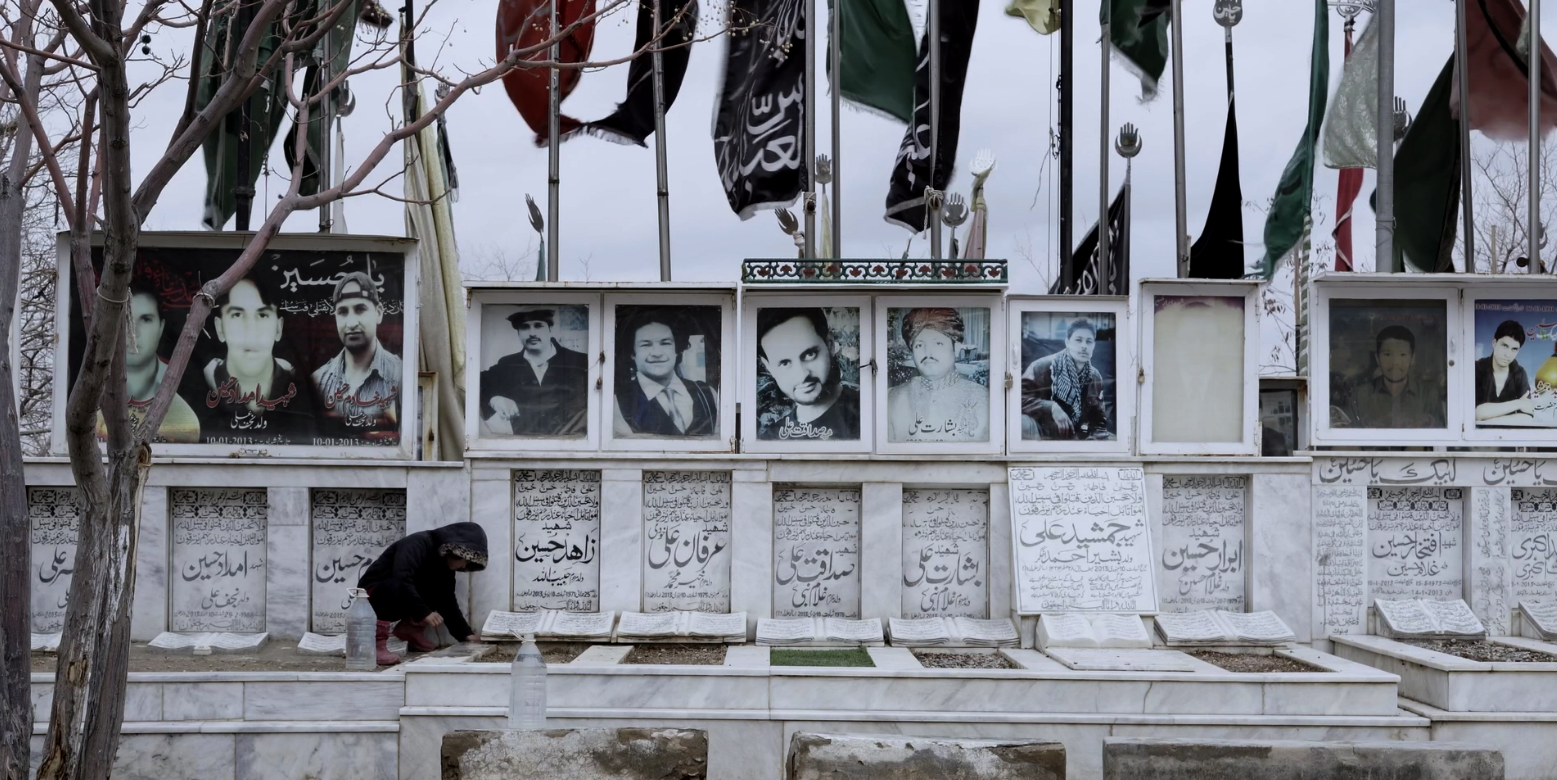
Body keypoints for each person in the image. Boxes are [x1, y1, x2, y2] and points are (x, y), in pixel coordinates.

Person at [357, 521, 487, 665]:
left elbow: (447, 600)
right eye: (466, 560)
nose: (464, 566)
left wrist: (466, 634)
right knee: (396, 585)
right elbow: (401, 578)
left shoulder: (444, 564)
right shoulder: (417, 543)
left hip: (401, 596)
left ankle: (410, 629)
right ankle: (375, 644)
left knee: (438, 589)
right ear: (456, 551)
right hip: (372, 597)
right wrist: (423, 613)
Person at [201, 276, 315, 440]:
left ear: (278, 328)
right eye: (237, 315)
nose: (251, 331)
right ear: (220, 328)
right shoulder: (199, 389)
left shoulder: (301, 394)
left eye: (262, 315)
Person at [96, 283, 201, 442]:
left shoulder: (186, 393)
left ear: (161, 327)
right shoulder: (92, 388)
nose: (134, 332)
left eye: (145, 319)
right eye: (126, 319)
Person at [311, 272, 403, 442]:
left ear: (378, 313)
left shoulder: (401, 376)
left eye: (360, 309)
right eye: (343, 312)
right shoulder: (318, 381)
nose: (351, 323)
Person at [480, 307, 590, 436]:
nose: (532, 333)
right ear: (518, 332)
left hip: (572, 444)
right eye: (525, 327)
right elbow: (476, 383)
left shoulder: (579, 361)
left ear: (550, 329)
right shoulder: (507, 364)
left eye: (538, 326)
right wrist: (495, 399)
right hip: (524, 444)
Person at [756, 307, 860, 440]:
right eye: (785, 363)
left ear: (830, 345)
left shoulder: (867, 413)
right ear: (769, 367)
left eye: (810, 354)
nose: (801, 375)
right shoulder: (772, 439)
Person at [886, 308, 989, 441]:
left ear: (956, 348)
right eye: (919, 345)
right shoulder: (893, 398)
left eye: (938, 343)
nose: (928, 352)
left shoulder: (983, 398)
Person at [613, 308, 719, 436]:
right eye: (646, 345)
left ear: (677, 348)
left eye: (665, 343)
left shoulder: (708, 394)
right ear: (632, 353)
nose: (657, 353)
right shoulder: (618, 403)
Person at [1019, 318, 1112, 440]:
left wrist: (1091, 441)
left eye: (1089, 341)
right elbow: (1017, 400)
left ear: (1093, 346)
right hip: (1040, 435)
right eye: (1078, 340)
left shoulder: (1094, 376)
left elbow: (1099, 422)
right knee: (1022, 423)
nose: (1084, 346)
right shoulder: (1041, 367)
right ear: (1067, 342)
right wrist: (1051, 407)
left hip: (1074, 437)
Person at [1349, 324, 1445, 429]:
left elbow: (1439, 434)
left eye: (1402, 354)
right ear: (1377, 358)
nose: (1395, 362)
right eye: (1387, 354)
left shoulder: (1428, 395)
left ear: (1412, 358)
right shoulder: (1360, 395)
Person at [1475, 319, 1535, 422]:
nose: (1507, 354)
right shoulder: (1478, 368)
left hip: (1509, 433)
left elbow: (1527, 418)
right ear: (1494, 343)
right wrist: (1519, 403)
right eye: (1505, 346)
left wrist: (1487, 421)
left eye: (1514, 349)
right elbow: (1477, 413)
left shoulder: (1520, 374)